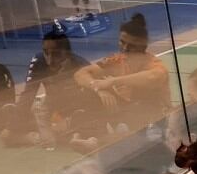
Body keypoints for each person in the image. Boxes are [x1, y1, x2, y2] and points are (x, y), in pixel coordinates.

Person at [72, 14, 170, 152]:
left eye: (131, 45)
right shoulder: (117, 60)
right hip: (125, 111)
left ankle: (102, 141)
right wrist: (98, 88)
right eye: (122, 42)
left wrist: (112, 81)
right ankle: (94, 135)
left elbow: (155, 76)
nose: (124, 48)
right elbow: (81, 74)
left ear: (143, 45)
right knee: (87, 92)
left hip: (153, 115)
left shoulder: (154, 64)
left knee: (139, 106)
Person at [2, 29, 90, 148]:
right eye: (46, 52)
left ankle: (33, 126)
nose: (50, 59)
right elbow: (29, 93)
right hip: (50, 106)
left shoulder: (79, 64)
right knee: (10, 136)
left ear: (67, 52)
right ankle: (22, 121)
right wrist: (12, 126)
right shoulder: (38, 61)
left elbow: (97, 86)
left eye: (56, 53)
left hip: (74, 110)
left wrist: (102, 91)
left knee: (63, 137)